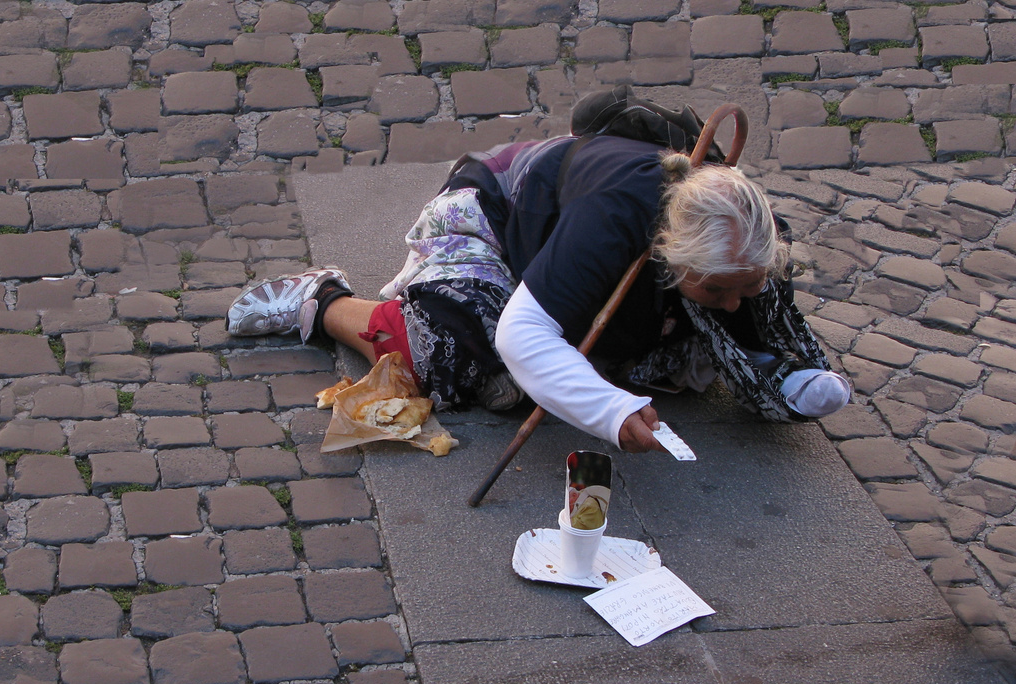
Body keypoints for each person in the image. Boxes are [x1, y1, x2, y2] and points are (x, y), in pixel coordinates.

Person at [225, 129, 850, 453]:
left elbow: (751, 305)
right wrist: (611, 411)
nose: (734, 300)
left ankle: (774, 374)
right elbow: (521, 333)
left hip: (627, 271)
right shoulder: (612, 221)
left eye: (742, 288)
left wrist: (755, 333)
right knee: (445, 354)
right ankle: (325, 299)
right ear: (672, 256)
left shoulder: (744, 235)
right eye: (718, 290)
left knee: (714, 330)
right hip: (499, 219)